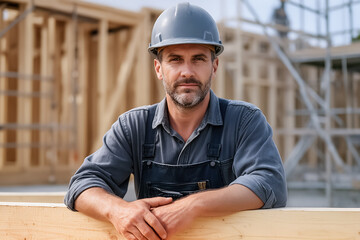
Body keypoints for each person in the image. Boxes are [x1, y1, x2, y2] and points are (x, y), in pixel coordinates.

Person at [65, 2, 287, 240]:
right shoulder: (134, 127)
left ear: (214, 66)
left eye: (198, 59)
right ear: (159, 68)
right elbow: (82, 184)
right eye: (176, 59)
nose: (187, 72)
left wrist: (192, 206)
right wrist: (117, 210)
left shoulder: (243, 121)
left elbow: (269, 182)